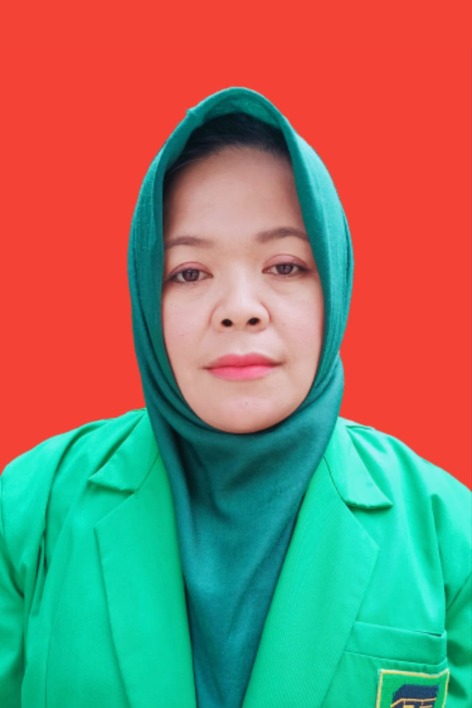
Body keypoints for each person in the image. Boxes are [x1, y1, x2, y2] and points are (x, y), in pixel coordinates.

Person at [0, 87, 470, 708]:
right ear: (146, 297)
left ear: (335, 282)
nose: (240, 310)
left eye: (285, 266)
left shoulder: (447, 530)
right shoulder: (29, 509)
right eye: (190, 272)